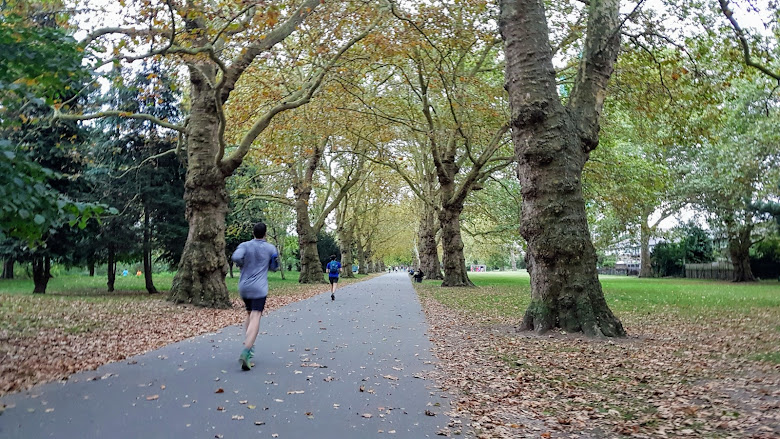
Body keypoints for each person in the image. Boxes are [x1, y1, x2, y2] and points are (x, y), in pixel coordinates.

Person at [231, 222, 279, 371]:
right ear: (265, 233)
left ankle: (249, 345)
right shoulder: (271, 248)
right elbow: (274, 267)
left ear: (253, 233)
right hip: (259, 288)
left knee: (249, 313)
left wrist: (242, 264)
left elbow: (236, 257)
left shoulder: (245, 245)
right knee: (256, 316)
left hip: (244, 287)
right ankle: (246, 351)